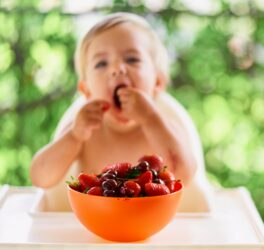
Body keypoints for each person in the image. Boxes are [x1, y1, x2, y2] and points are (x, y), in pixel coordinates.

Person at [30, 12, 213, 212]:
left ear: (157, 83)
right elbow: (41, 178)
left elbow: (185, 175)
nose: (117, 68)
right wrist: (74, 135)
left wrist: (151, 119)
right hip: (96, 231)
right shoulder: (81, 127)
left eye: (132, 59)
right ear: (86, 91)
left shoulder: (164, 123)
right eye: (101, 63)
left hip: (156, 232)